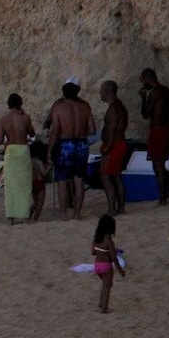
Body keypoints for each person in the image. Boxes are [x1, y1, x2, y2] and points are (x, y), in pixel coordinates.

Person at [48, 77, 96, 220]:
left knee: (62, 180)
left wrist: (49, 150)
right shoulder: (85, 106)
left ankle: (63, 213)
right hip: (81, 144)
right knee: (79, 180)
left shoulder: (59, 108)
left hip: (65, 145)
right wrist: (80, 131)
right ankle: (77, 214)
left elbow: (55, 131)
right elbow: (93, 130)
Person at [0, 93, 35, 225]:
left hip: (11, 151)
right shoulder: (25, 117)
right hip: (23, 150)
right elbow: (32, 133)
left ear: (8, 104)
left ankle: (10, 217)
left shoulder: (3, 120)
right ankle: (25, 216)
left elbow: (0, 139)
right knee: (24, 184)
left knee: (11, 184)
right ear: (20, 103)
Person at [138, 68, 169, 205]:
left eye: (142, 80)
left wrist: (143, 99)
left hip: (157, 130)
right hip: (167, 129)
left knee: (157, 164)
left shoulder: (154, 93)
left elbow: (146, 114)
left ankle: (163, 198)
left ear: (147, 78)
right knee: (162, 164)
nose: (142, 84)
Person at [99, 80, 129, 214]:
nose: (100, 93)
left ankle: (112, 208)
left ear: (107, 91)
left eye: (101, 90)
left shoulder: (113, 109)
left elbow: (112, 129)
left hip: (114, 145)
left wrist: (108, 147)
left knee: (105, 176)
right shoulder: (120, 106)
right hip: (120, 143)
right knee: (116, 176)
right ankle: (121, 207)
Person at [91, 214, 126, 314]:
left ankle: (101, 303)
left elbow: (93, 252)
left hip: (97, 265)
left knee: (105, 285)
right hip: (106, 266)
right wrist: (120, 270)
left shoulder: (96, 240)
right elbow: (113, 257)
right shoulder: (109, 242)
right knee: (107, 286)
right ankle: (104, 309)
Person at [29, 141, 52, 222]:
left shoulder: (30, 161)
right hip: (40, 182)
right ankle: (35, 218)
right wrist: (49, 166)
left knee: (35, 202)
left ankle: (29, 216)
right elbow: (44, 173)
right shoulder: (39, 162)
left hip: (32, 182)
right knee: (40, 202)